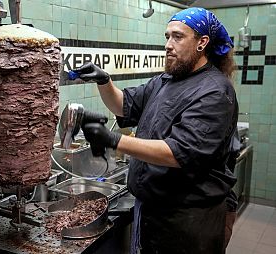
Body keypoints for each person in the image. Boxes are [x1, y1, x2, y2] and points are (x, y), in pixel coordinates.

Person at [73, 7, 238, 254]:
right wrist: (104, 81)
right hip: (153, 210)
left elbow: (178, 153)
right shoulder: (165, 81)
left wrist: (113, 140)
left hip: (187, 220)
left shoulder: (214, 91)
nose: (168, 45)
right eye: (167, 36)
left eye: (178, 37)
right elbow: (124, 104)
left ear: (202, 42)